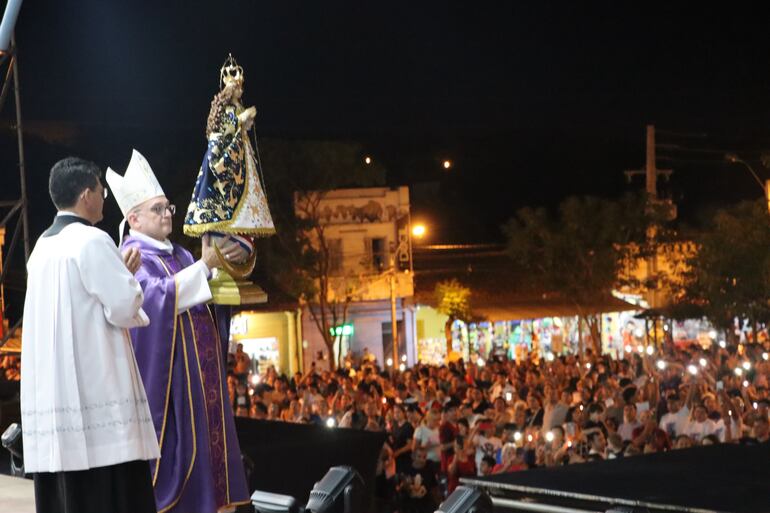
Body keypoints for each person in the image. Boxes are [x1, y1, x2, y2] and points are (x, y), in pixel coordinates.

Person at [106, 149, 249, 513]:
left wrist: (222, 270)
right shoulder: (132, 256)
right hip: (173, 385)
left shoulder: (180, 255)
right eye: (158, 209)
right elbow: (151, 298)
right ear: (133, 218)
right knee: (182, 447)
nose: (168, 213)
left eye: (168, 206)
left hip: (201, 381)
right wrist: (205, 266)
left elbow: (202, 288)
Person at [21, 157, 160, 513]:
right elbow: (125, 308)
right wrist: (127, 278)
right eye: (101, 192)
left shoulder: (41, 248)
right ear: (86, 195)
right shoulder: (92, 240)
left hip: (55, 406)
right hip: (98, 401)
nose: (103, 199)